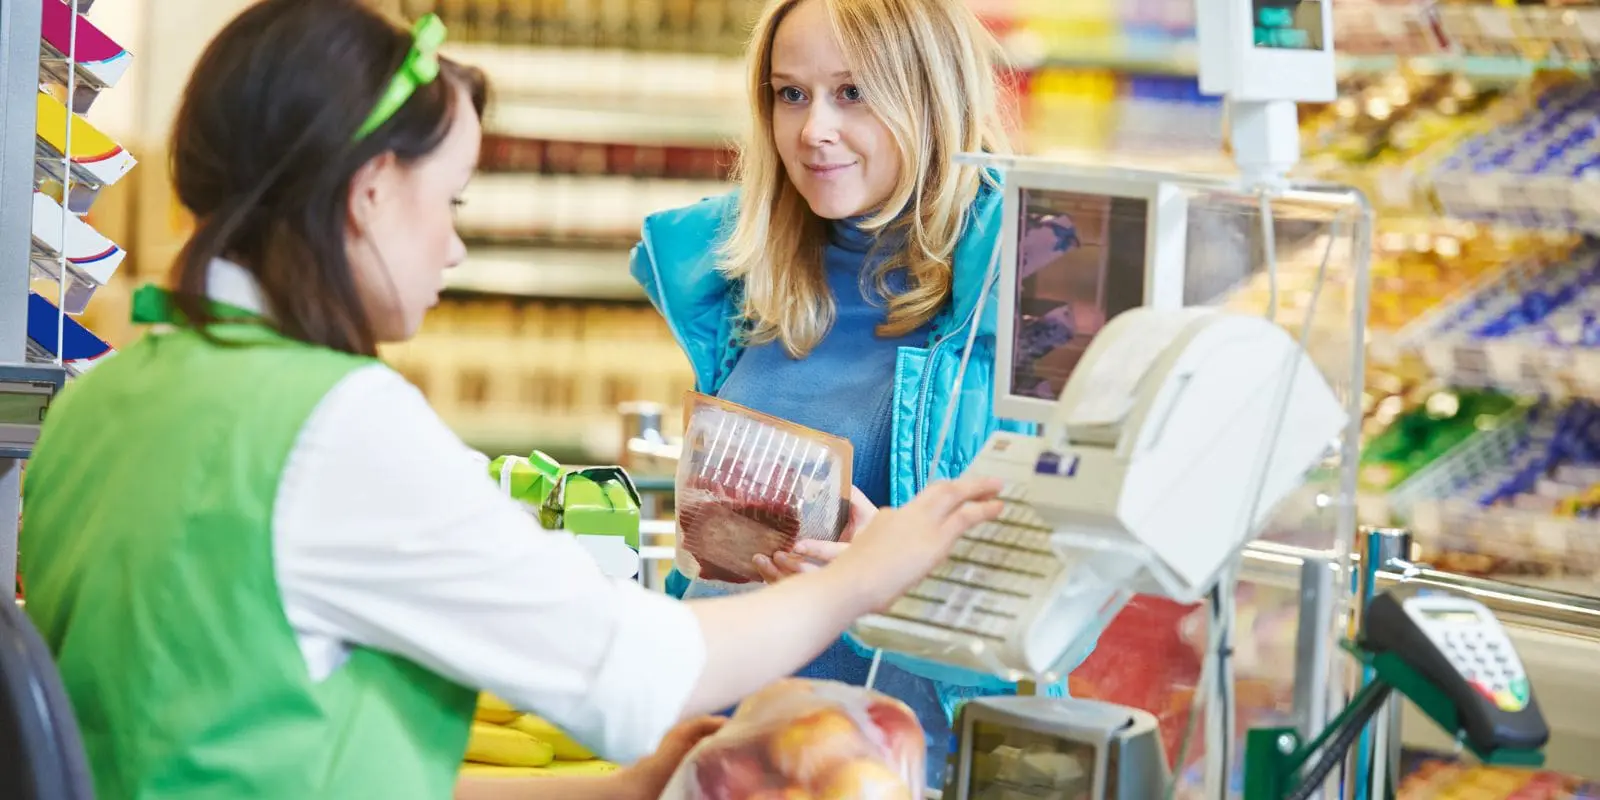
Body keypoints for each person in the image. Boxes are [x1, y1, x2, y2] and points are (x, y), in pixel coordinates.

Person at [16, 2, 1006, 798]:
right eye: (448, 201)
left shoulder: (103, 394)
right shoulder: (335, 424)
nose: (452, 247)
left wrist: (615, 789)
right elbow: (628, 677)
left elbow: (278, 727)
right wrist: (860, 576)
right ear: (370, 194)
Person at [630, 0, 1085, 784]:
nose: (813, 132)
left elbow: (1068, 608)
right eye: (790, 94)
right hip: (734, 760)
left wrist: (897, 580)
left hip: (920, 770)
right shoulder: (740, 282)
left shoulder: (1028, 296)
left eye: (853, 93)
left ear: (928, 97)